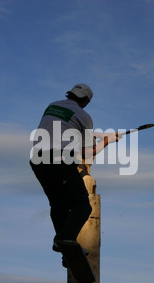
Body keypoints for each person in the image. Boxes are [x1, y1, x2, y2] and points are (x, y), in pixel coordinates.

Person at [29, 83, 118, 264]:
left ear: (70, 94)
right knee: (82, 205)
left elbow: (63, 127)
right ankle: (65, 239)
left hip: (37, 160)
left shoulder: (52, 105)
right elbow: (88, 153)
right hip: (59, 159)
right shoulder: (84, 115)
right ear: (85, 101)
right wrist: (107, 141)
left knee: (58, 204)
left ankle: (64, 247)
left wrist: (99, 136)